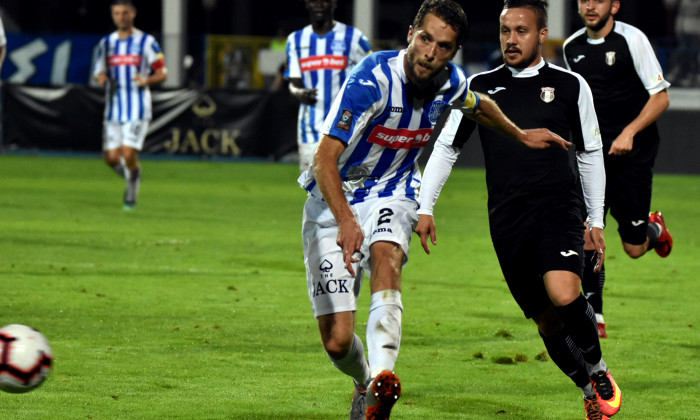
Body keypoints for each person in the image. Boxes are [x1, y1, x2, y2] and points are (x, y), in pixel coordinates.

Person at [299, 1, 570, 419]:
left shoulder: (450, 82)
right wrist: (348, 220)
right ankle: (364, 379)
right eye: (425, 39)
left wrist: (519, 134)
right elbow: (324, 160)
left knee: (387, 256)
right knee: (337, 341)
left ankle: (382, 384)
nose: (431, 53)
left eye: (444, 46)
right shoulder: (371, 78)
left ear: (453, 52)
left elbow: (478, 105)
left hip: (394, 190)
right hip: (332, 200)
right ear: (411, 33)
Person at [416, 1, 622, 418]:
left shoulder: (570, 85)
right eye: (505, 31)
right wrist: (425, 206)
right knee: (546, 321)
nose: (511, 39)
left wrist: (595, 220)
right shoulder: (479, 85)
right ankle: (586, 390)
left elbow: (590, 153)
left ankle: (598, 368)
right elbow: (446, 147)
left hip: (558, 209)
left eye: (521, 31)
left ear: (542, 34)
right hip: (507, 222)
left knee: (565, 294)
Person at [564, 0, 673, 338]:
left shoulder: (632, 40)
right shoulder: (572, 48)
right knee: (588, 229)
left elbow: (661, 97)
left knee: (634, 248)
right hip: (594, 154)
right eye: (584, 0)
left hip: (634, 153)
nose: (590, 6)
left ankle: (652, 229)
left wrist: (629, 132)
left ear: (615, 5)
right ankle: (594, 313)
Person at [93, 0, 167, 210]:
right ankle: (133, 176)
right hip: (114, 107)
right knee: (111, 158)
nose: (121, 17)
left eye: (125, 13)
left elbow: (162, 72)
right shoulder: (106, 43)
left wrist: (147, 80)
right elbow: (99, 69)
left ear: (133, 14)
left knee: (128, 154)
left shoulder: (146, 41)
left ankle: (131, 196)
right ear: (113, 16)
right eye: (117, 13)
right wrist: (100, 76)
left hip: (137, 107)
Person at [285, 0, 372, 173]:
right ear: (307, 4)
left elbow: (374, 72)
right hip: (310, 128)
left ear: (333, 3)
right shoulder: (295, 40)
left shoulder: (353, 37)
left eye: (324, 1)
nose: (319, 5)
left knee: (344, 190)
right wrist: (299, 92)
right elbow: (293, 84)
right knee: (313, 192)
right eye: (314, 1)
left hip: (344, 128)